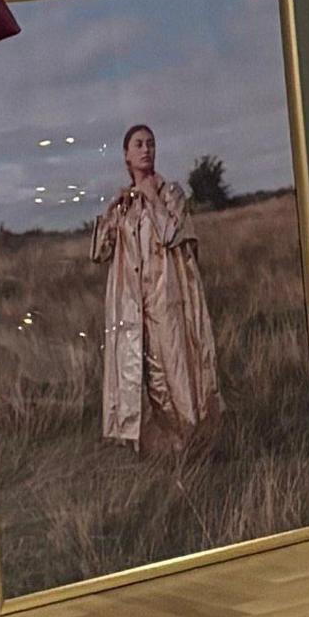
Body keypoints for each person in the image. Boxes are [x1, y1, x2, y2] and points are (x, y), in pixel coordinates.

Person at [91, 123, 219, 451]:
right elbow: (98, 253)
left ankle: (194, 440)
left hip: (168, 300)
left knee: (177, 370)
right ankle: (161, 448)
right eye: (139, 144)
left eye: (150, 143)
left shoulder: (171, 193)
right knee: (145, 377)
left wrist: (153, 200)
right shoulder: (125, 205)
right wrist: (109, 213)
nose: (146, 149)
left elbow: (172, 235)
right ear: (126, 155)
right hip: (134, 306)